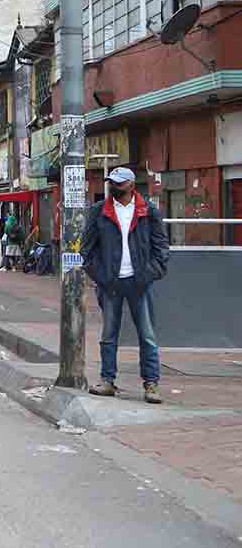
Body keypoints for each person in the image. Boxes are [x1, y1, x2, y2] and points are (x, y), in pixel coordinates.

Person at [82, 167, 169, 404]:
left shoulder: (148, 211)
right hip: (110, 283)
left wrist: (150, 274)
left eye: (119, 184)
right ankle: (107, 380)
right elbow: (86, 250)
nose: (113, 187)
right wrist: (101, 277)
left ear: (131, 185)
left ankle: (151, 384)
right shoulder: (99, 211)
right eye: (111, 183)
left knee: (147, 335)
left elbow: (161, 247)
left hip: (139, 282)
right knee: (109, 334)